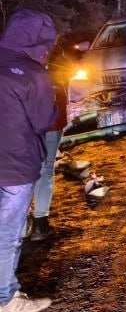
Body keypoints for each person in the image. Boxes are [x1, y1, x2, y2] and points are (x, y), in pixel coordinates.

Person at [0, 9, 58, 312]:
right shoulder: (33, 74)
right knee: (7, 233)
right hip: (14, 164)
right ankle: (5, 299)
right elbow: (44, 120)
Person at [25, 84, 67, 241]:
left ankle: (23, 223)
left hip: (21, 123)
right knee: (45, 170)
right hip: (50, 120)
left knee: (23, 171)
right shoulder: (53, 63)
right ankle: (40, 224)